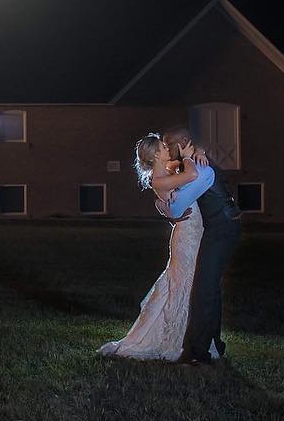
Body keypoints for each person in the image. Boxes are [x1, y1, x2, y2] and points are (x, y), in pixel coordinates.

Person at [97, 132, 217, 362]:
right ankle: (180, 340)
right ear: (155, 155)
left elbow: (188, 163)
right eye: (163, 146)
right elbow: (191, 173)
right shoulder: (159, 180)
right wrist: (187, 155)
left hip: (193, 231)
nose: (167, 147)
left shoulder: (168, 168)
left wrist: (198, 152)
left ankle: (196, 337)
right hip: (186, 237)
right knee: (186, 283)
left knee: (191, 282)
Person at [163, 126, 242, 363]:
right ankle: (212, 345)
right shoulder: (192, 162)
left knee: (204, 289)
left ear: (182, 143)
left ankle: (197, 354)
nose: (166, 150)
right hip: (219, 227)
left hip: (222, 229)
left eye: (169, 145)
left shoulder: (199, 167)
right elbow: (172, 170)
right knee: (211, 289)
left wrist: (167, 207)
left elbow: (176, 209)